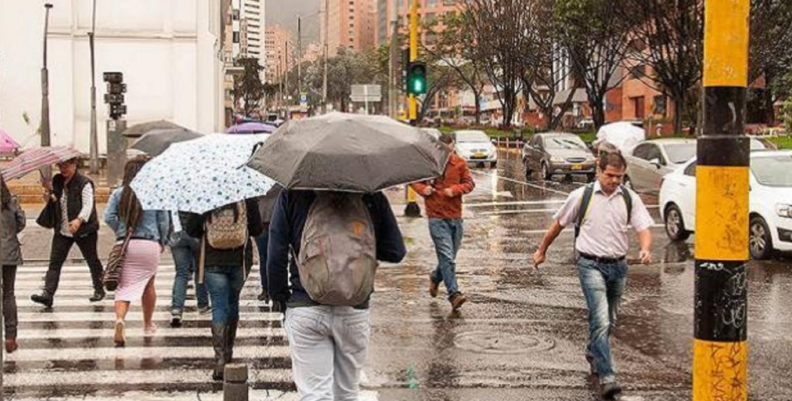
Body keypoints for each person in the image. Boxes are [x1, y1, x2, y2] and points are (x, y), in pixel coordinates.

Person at [532, 152, 653, 400]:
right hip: (590, 265)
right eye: (610, 175)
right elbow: (557, 225)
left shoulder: (629, 198)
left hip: (619, 267)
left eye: (619, 176)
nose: (615, 181)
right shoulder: (581, 196)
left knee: (609, 318)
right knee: (600, 318)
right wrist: (541, 250)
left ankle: (593, 350)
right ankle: (607, 377)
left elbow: (643, 227)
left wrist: (645, 248)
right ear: (599, 171)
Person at [267, 190, 406, 400]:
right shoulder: (370, 195)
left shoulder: (292, 195)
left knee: (315, 395)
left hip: (306, 305)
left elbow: (275, 257)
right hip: (355, 307)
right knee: (348, 393)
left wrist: (281, 298)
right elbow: (396, 251)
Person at [183, 199, 263, 381]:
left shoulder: (206, 194)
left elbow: (191, 230)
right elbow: (257, 229)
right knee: (233, 302)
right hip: (239, 259)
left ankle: (220, 360)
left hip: (212, 260)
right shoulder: (246, 195)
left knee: (219, 305)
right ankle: (229, 350)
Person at [104, 157, 170, 346]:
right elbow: (164, 222)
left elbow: (108, 216)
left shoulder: (119, 193)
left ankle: (120, 319)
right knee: (148, 286)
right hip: (149, 245)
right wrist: (162, 242)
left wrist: (121, 231)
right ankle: (148, 324)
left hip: (127, 244)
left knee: (123, 286)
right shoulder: (155, 193)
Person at [411, 133, 475, 311]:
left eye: (450, 149)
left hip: (455, 217)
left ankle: (435, 277)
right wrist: (424, 189)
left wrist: (455, 190)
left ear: (453, 147)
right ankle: (454, 294)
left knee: (449, 258)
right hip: (436, 217)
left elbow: (469, 184)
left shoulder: (460, 163)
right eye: (443, 149)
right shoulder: (429, 163)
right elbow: (414, 182)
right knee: (447, 257)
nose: (446, 153)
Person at [31, 157, 105, 308]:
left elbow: (88, 205)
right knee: (55, 263)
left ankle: (99, 288)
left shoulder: (84, 183)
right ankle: (48, 294)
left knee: (92, 260)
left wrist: (79, 220)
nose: (63, 169)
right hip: (63, 229)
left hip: (84, 230)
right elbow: (54, 200)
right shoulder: (57, 181)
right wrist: (48, 191)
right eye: (60, 166)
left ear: (74, 164)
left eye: (66, 165)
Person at [169, 211, 211, 328]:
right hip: (196, 234)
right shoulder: (198, 193)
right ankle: (203, 305)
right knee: (200, 270)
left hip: (176, 234)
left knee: (181, 273)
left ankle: (177, 309)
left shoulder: (171, 194)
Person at [0, 175, 25, 353]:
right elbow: (21, 223)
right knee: (9, 293)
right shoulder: (11, 201)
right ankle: (10, 337)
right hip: (9, 251)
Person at [255, 185, 283, 302]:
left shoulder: (256, 184)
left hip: (263, 222)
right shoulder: (280, 182)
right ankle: (276, 289)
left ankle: (266, 290)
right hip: (276, 222)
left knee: (264, 258)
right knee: (277, 257)